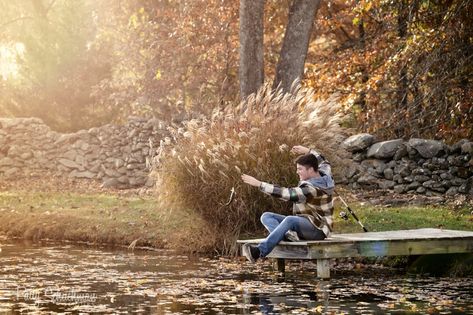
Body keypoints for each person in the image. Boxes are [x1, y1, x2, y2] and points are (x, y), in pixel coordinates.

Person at [241, 145, 335, 263]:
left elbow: (287, 194)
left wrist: (260, 184)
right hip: (305, 223)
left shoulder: (312, 189)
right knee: (266, 216)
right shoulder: (325, 171)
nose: (297, 172)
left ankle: (259, 252)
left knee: (290, 220)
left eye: (300, 169)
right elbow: (323, 160)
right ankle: (287, 237)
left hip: (319, 229)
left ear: (311, 170)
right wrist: (308, 151)